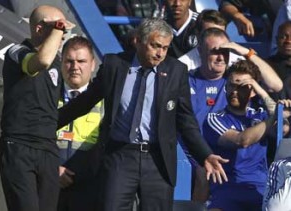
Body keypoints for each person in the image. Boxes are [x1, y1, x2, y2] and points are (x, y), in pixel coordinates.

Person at [58, 18, 229, 211]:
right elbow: (84, 102)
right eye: (155, 46)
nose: (160, 54)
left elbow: (186, 120)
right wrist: (48, 123)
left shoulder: (176, 71)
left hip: (158, 159)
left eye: (165, 48)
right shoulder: (115, 65)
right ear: (138, 41)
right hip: (120, 156)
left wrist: (204, 154)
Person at [0, 5, 75, 211]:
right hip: (19, 146)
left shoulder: (57, 63)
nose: (63, 34)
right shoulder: (17, 52)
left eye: (64, 30)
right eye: (59, 28)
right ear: (39, 29)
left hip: (47, 149)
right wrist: (57, 29)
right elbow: (41, 60)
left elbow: (51, 110)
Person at [202, 60, 289, 211]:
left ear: (253, 91)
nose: (234, 91)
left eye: (242, 87)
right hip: (227, 189)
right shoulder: (214, 118)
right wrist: (275, 116)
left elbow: (284, 128)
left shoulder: (260, 116)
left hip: (260, 188)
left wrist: (261, 92)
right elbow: (242, 140)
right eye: (231, 85)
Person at [56, 36, 103, 211]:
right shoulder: (47, 97)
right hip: (51, 184)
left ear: (92, 65)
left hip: (89, 189)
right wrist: (52, 168)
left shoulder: (106, 101)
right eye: (69, 61)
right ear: (61, 63)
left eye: (81, 61)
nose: (75, 67)